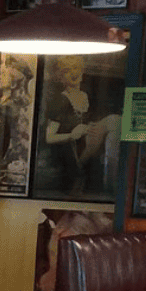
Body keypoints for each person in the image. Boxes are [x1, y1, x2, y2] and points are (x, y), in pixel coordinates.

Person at [43, 55, 121, 196]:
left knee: (116, 121)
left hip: (91, 153)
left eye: (76, 68)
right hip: (70, 156)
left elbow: (96, 123)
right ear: (60, 76)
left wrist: (90, 127)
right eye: (67, 70)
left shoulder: (88, 96)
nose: (74, 73)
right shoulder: (59, 100)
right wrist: (71, 135)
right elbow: (49, 137)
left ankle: (114, 178)